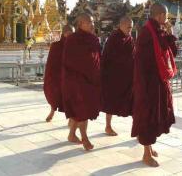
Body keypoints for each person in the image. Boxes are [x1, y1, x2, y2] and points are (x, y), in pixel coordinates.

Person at [132, 2, 177, 167]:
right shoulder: (146, 34)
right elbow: (142, 62)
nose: (166, 19)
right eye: (165, 15)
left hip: (158, 81)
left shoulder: (158, 31)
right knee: (148, 116)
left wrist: (170, 34)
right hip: (148, 83)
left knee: (156, 115)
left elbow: (171, 52)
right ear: (159, 16)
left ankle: (149, 147)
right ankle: (145, 153)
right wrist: (143, 86)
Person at [62, 13, 101, 151]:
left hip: (90, 80)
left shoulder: (94, 39)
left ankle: (72, 135)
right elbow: (70, 61)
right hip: (76, 81)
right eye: (88, 22)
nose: (92, 25)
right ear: (80, 24)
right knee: (82, 111)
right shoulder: (72, 40)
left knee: (79, 112)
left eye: (93, 22)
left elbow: (97, 58)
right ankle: (85, 138)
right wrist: (86, 70)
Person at [101, 16, 135, 136]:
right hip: (114, 77)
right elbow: (107, 57)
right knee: (111, 102)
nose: (130, 30)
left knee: (133, 102)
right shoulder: (114, 39)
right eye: (128, 27)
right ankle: (108, 126)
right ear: (121, 25)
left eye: (131, 27)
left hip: (128, 77)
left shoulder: (129, 39)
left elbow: (133, 54)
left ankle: (137, 128)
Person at [44, 25, 74, 123]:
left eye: (73, 34)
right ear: (64, 34)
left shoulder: (75, 46)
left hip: (71, 76)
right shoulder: (56, 46)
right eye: (69, 34)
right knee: (55, 95)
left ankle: (71, 118)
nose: (71, 36)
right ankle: (52, 111)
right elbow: (51, 63)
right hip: (58, 76)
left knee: (71, 97)